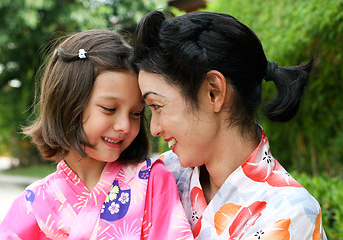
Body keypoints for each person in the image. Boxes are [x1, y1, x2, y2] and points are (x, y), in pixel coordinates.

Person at [135, 10, 327, 239]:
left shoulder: (291, 213)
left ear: (213, 92)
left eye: (157, 105)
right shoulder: (161, 173)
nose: (154, 128)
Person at [0, 30, 193, 239]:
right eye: (109, 108)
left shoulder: (153, 181)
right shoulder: (32, 203)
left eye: (136, 113)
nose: (125, 125)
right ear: (68, 104)